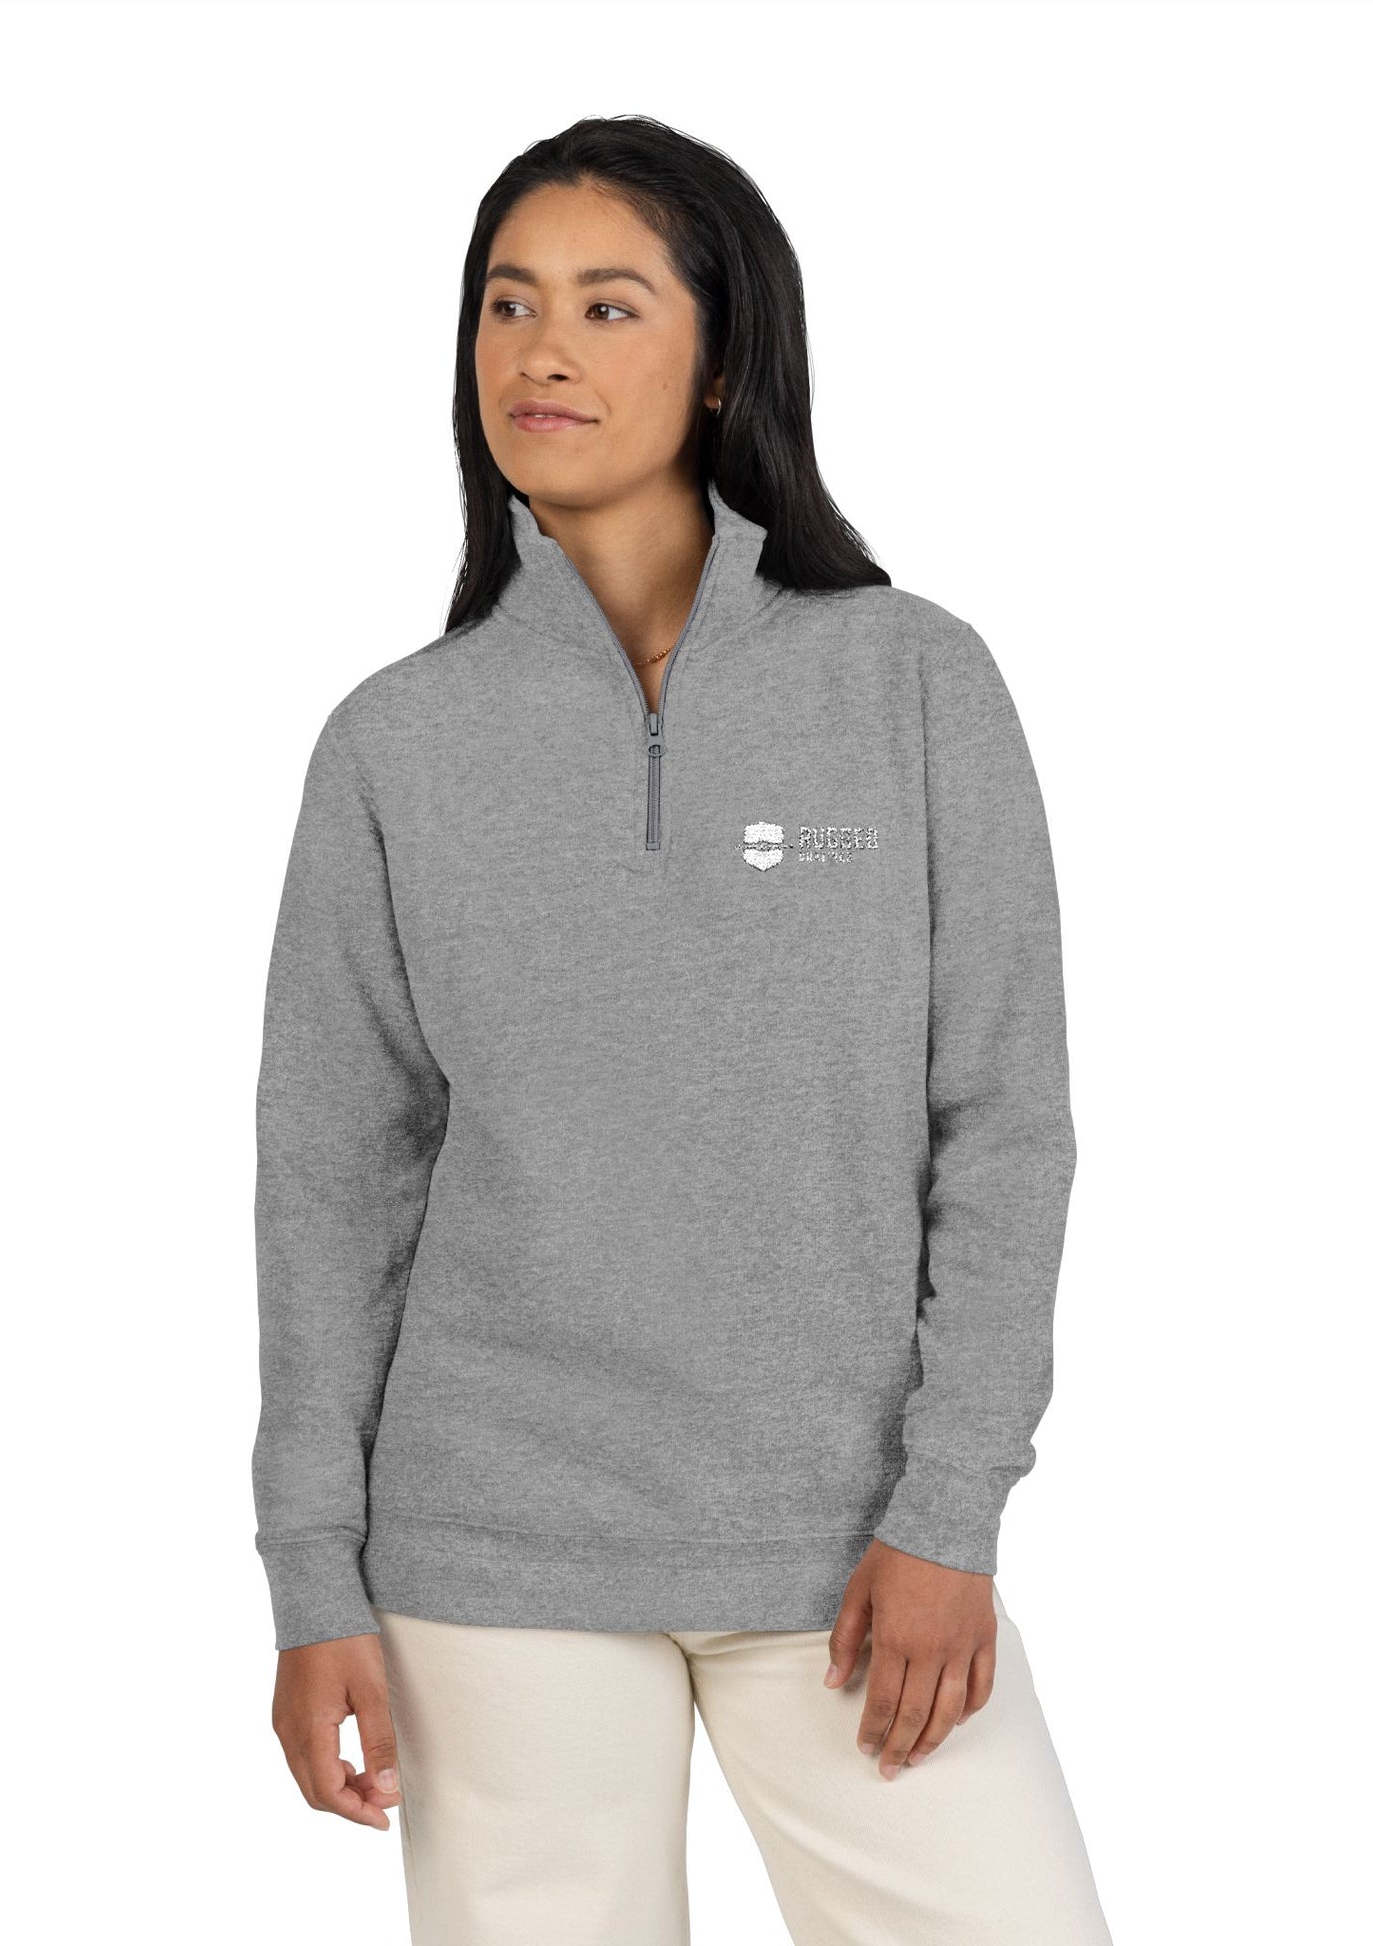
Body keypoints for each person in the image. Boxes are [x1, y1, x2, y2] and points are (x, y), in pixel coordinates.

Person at [252, 115, 1114, 1944]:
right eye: (506, 304)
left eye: (606, 304)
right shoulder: (397, 743)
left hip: (853, 1544)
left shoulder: (910, 680)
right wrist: (311, 1570)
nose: (539, 352)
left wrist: (950, 1507)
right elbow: (332, 1183)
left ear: (722, 359)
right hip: (493, 1546)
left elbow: (1003, 1123)